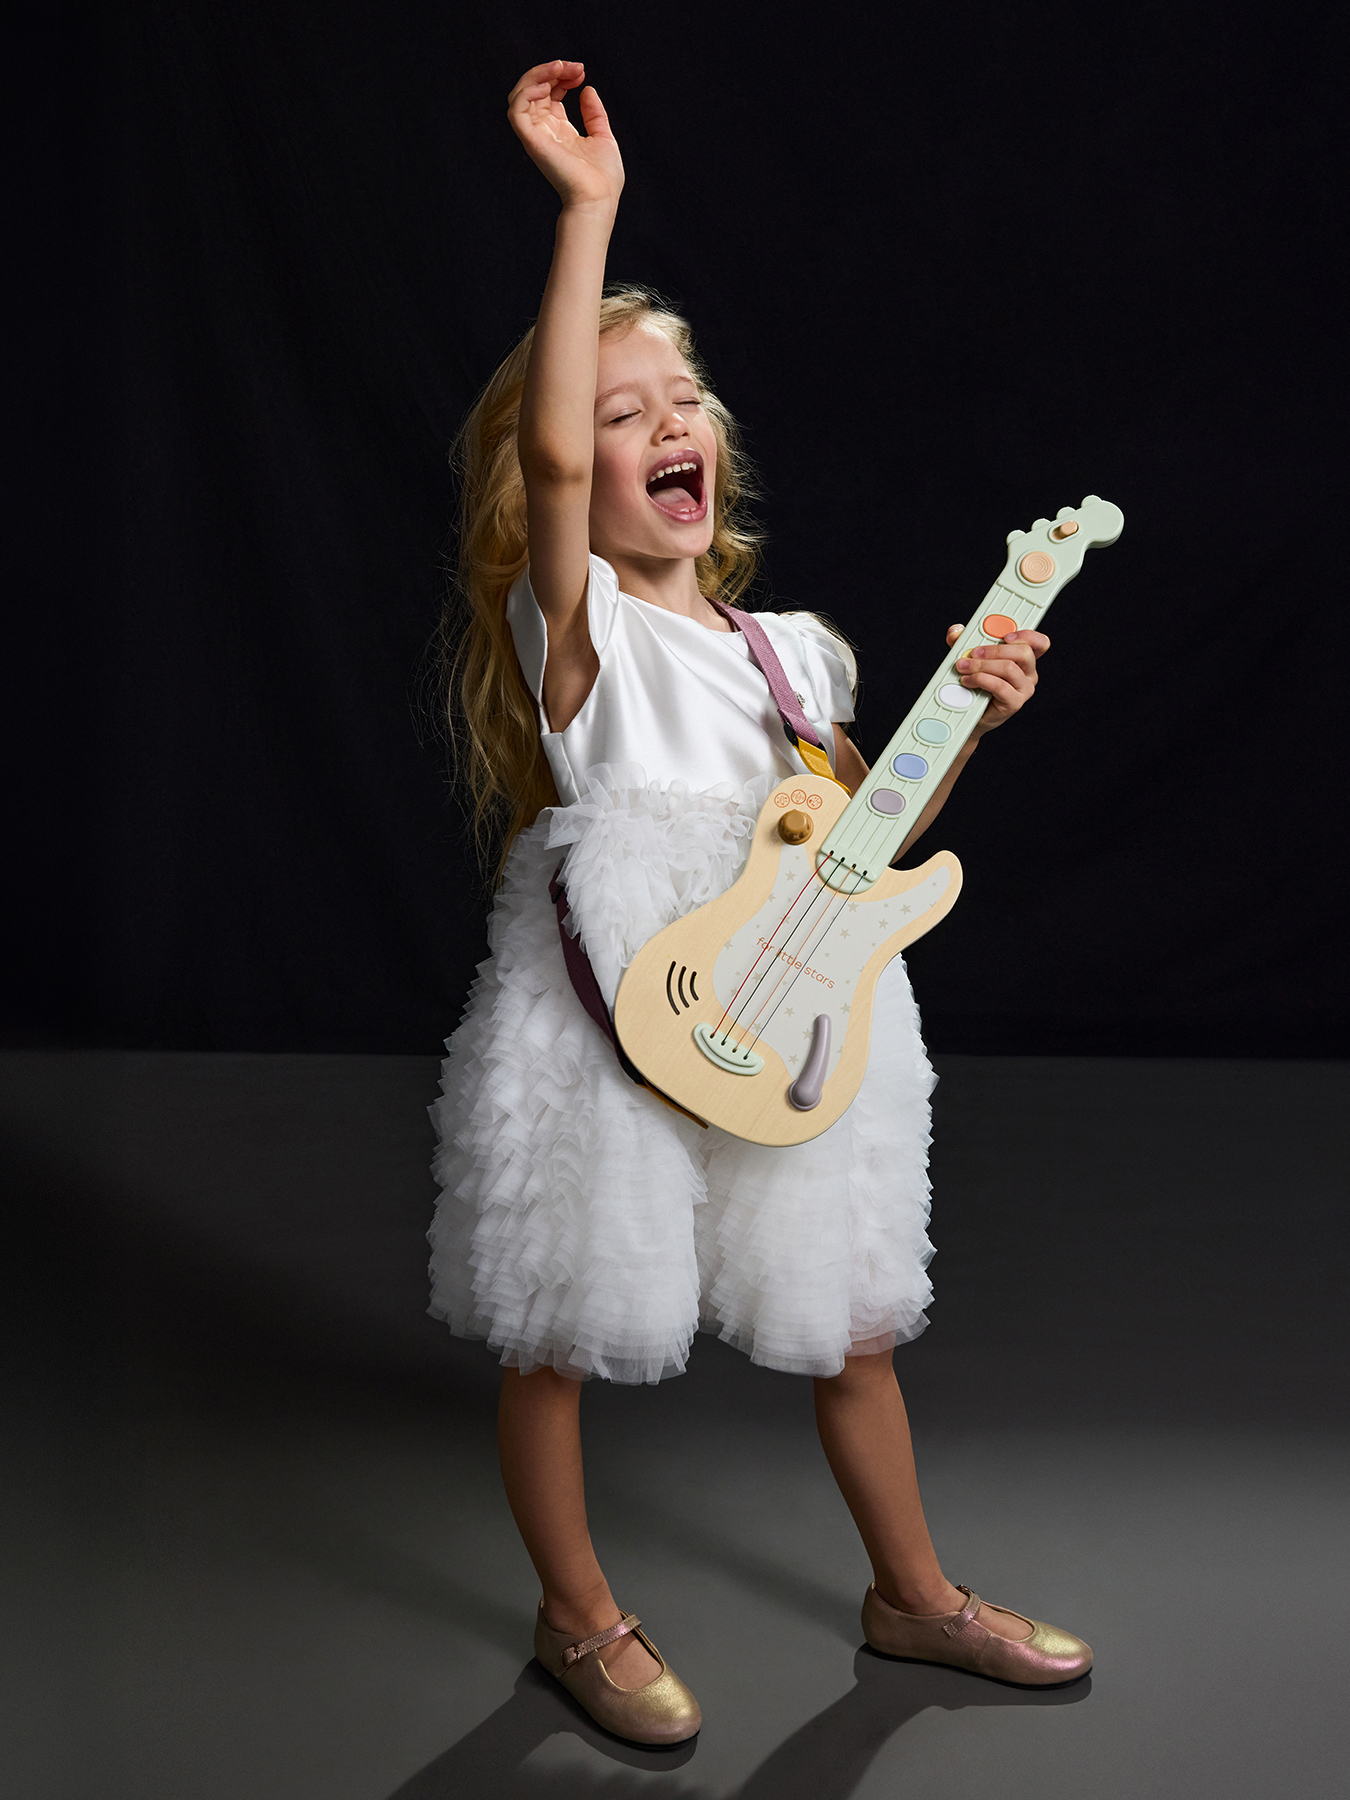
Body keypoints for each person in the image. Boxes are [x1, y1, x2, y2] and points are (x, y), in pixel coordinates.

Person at [428, 58, 1092, 1747]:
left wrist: (967, 717)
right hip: (619, 998)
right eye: (622, 409)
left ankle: (912, 1596)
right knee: (560, 1318)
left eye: (687, 398)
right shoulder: (580, 628)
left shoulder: (791, 657)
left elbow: (871, 834)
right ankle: (577, 1616)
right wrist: (589, 211)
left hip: (791, 1001)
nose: (669, 424)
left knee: (849, 1315)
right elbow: (553, 470)